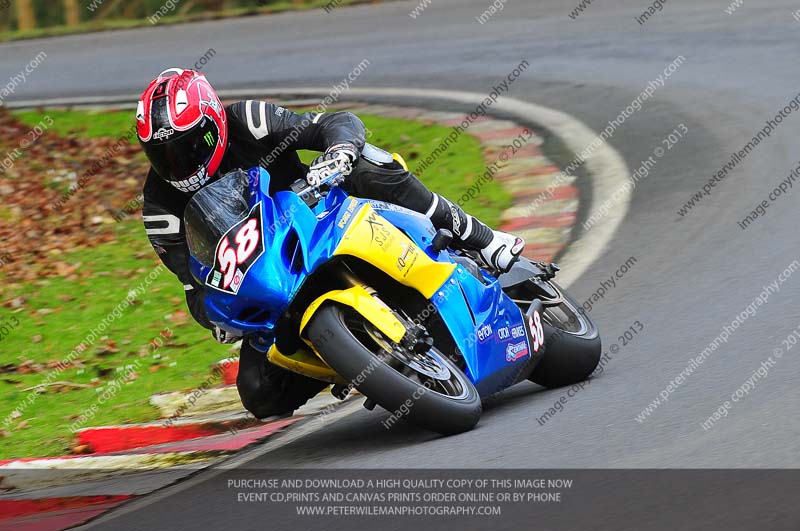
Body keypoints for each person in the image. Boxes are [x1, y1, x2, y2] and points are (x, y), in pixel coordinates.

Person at [137, 68, 525, 419]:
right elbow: (193, 286)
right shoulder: (160, 206)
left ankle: (480, 237)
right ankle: (349, 358)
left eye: (189, 146)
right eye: (162, 154)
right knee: (258, 394)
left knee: (367, 163)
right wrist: (218, 317)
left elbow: (333, 123)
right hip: (269, 280)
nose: (178, 162)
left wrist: (339, 152)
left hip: (320, 213)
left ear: (215, 123)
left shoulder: (249, 122)